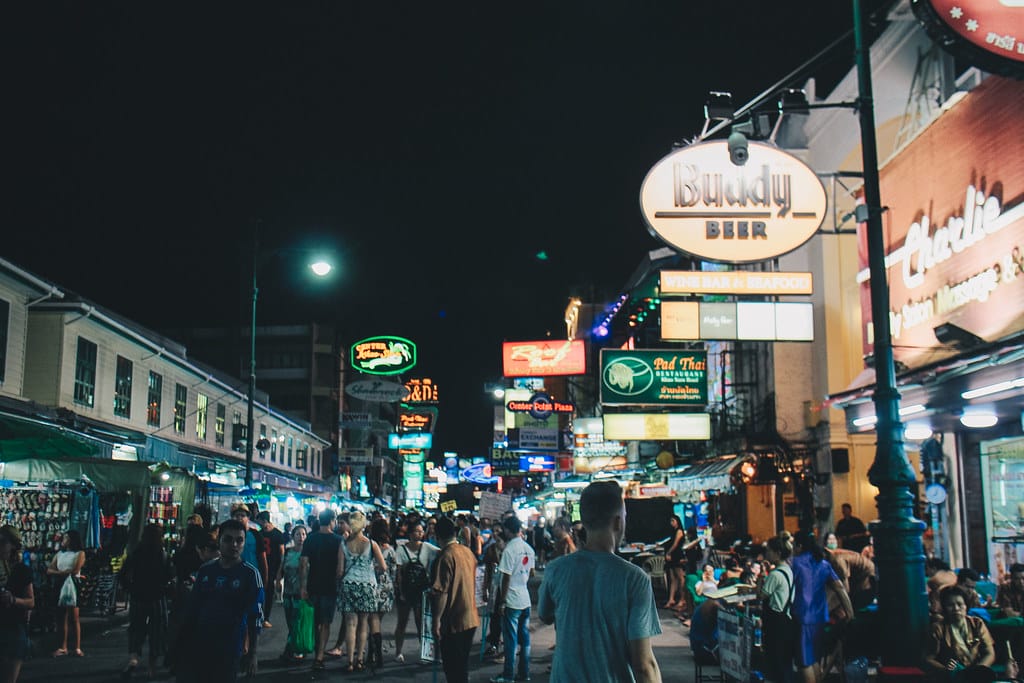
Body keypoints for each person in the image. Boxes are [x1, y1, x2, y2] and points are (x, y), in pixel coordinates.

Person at [538, 480, 663, 682]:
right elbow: (643, 665)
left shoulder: (556, 570)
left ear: (585, 521)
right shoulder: (634, 579)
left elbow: (545, 615)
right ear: (617, 522)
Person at [175, 519, 263, 682]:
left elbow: (255, 617)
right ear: (219, 541)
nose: (234, 545)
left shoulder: (250, 575)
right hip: (199, 644)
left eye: (239, 540)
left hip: (230, 647)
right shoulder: (206, 570)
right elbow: (192, 609)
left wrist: (253, 653)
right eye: (228, 539)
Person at [791, 530, 854, 683]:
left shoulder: (795, 563)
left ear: (799, 546)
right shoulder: (823, 563)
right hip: (820, 618)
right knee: (815, 661)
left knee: (804, 662)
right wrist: (850, 613)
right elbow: (839, 588)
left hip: (801, 617)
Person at [922, 585, 1014, 683]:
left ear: (966, 606)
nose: (956, 608)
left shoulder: (977, 623)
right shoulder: (938, 628)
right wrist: (947, 670)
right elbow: (929, 659)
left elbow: (989, 653)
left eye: (960, 604)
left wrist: (977, 671)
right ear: (944, 607)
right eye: (950, 605)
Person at [120, 523, 173, 679]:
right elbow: (170, 576)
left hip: (138, 598)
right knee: (157, 632)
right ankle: (151, 667)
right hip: (157, 598)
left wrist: (130, 588)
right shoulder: (163, 555)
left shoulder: (136, 553)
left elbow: (123, 574)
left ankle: (134, 659)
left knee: (136, 629)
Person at [432, 516, 480, 683]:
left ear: (438, 536)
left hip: (454, 620)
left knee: (452, 669)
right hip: (471, 617)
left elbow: (442, 592)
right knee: (462, 667)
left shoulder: (445, 556)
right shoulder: (468, 552)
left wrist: (436, 621)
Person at [338, 510, 387, 673]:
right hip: (367, 585)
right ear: (364, 524)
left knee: (350, 624)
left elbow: (339, 570)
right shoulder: (371, 543)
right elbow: (383, 566)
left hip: (349, 584)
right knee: (363, 624)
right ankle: (360, 659)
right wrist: (371, 569)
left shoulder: (343, 544)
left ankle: (350, 661)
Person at [491, 515, 536, 683]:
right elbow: (531, 573)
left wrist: (502, 601)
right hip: (525, 599)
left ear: (509, 530)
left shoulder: (510, 550)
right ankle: (525, 673)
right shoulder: (528, 548)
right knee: (524, 640)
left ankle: (508, 675)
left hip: (512, 599)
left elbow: (506, 578)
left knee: (510, 640)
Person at [299, 508, 344, 671]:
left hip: (313, 585)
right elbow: (340, 569)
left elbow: (303, 563)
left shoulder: (310, 539)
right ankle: (319, 656)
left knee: (316, 621)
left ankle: (317, 650)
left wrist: (303, 587)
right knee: (325, 622)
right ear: (332, 520)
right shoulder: (339, 540)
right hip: (330, 586)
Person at [394, 520, 440, 663]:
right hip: (406, 591)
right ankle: (398, 652)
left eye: (421, 531)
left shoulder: (427, 547)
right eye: (416, 531)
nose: (419, 534)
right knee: (402, 622)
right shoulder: (401, 549)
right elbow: (399, 573)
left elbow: (441, 552)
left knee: (422, 623)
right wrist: (400, 591)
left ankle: (425, 653)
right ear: (410, 533)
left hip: (421, 591)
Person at [759, 535, 796, 683]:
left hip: (775, 622)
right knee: (785, 661)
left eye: (769, 551)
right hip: (787, 619)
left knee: (774, 661)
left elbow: (761, 595)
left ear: (778, 553)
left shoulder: (775, 575)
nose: (767, 554)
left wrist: (762, 576)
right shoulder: (789, 571)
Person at [0, 525, 34, 683]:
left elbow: (30, 602)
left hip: (13, 629)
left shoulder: (21, 570)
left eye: (3, 542)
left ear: (13, 545)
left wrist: (13, 600)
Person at [47, 529, 86, 658]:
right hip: (60, 584)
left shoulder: (80, 554)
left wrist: (59, 572)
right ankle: (62, 647)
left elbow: (75, 571)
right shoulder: (59, 554)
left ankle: (77, 647)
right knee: (61, 617)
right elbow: (50, 569)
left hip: (72, 584)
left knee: (74, 617)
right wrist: (63, 573)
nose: (63, 540)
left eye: (65, 538)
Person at [369, 517, 396, 667]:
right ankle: (376, 654)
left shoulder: (370, 547)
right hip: (386, 588)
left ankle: (373, 654)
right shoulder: (390, 550)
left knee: (372, 621)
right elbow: (393, 570)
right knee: (377, 620)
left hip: (372, 586)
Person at [280, 524, 308, 662]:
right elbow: (281, 568)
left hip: (300, 592)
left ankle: (293, 648)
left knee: (297, 621)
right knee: (290, 621)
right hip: (287, 592)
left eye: (303, 534)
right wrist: (278, 581)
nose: (301, 537)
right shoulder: (288, 552)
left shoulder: (308, 553)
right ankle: (293, 646)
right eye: (298, 534)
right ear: (293, 536)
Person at [482, 519, 508, 658]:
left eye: (498, 531)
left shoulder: (508, 550)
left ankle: (505, 645)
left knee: (505, 617)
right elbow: (487, 571)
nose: (496, 534)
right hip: (494, 587)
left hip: (506, 588)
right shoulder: (491, 549)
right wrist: (485, 588)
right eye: (494, 531)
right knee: (494, 617)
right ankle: (494, 643)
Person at [256, 511, 286, 629]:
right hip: (260, 567)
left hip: (273, 568)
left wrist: (280, 570)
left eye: (259, 522)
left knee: (269, 594)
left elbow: (282, 552)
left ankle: (265, 618)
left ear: (264, 521)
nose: (259, 524)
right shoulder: (259, 534)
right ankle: (258, 616)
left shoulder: (278, 534)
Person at [231, 504, 269, 589]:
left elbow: (263, 560)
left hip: (252, 578)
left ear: (248, 518)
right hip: (232, 577)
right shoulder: (228, 535)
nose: (240, 518)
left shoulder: (256, 534)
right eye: (237, 515)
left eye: (243, 515)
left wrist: (264, 583)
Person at [662, 515, 686, 610]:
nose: (672, 523)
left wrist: (669, 552)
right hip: (672, 556)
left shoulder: (679, 531)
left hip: (676, 555)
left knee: (680, 577)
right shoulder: (672, 532)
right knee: (673, 578)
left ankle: (682, 598)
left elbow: (676, 544)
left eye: (673, 521)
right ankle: (671, 599)